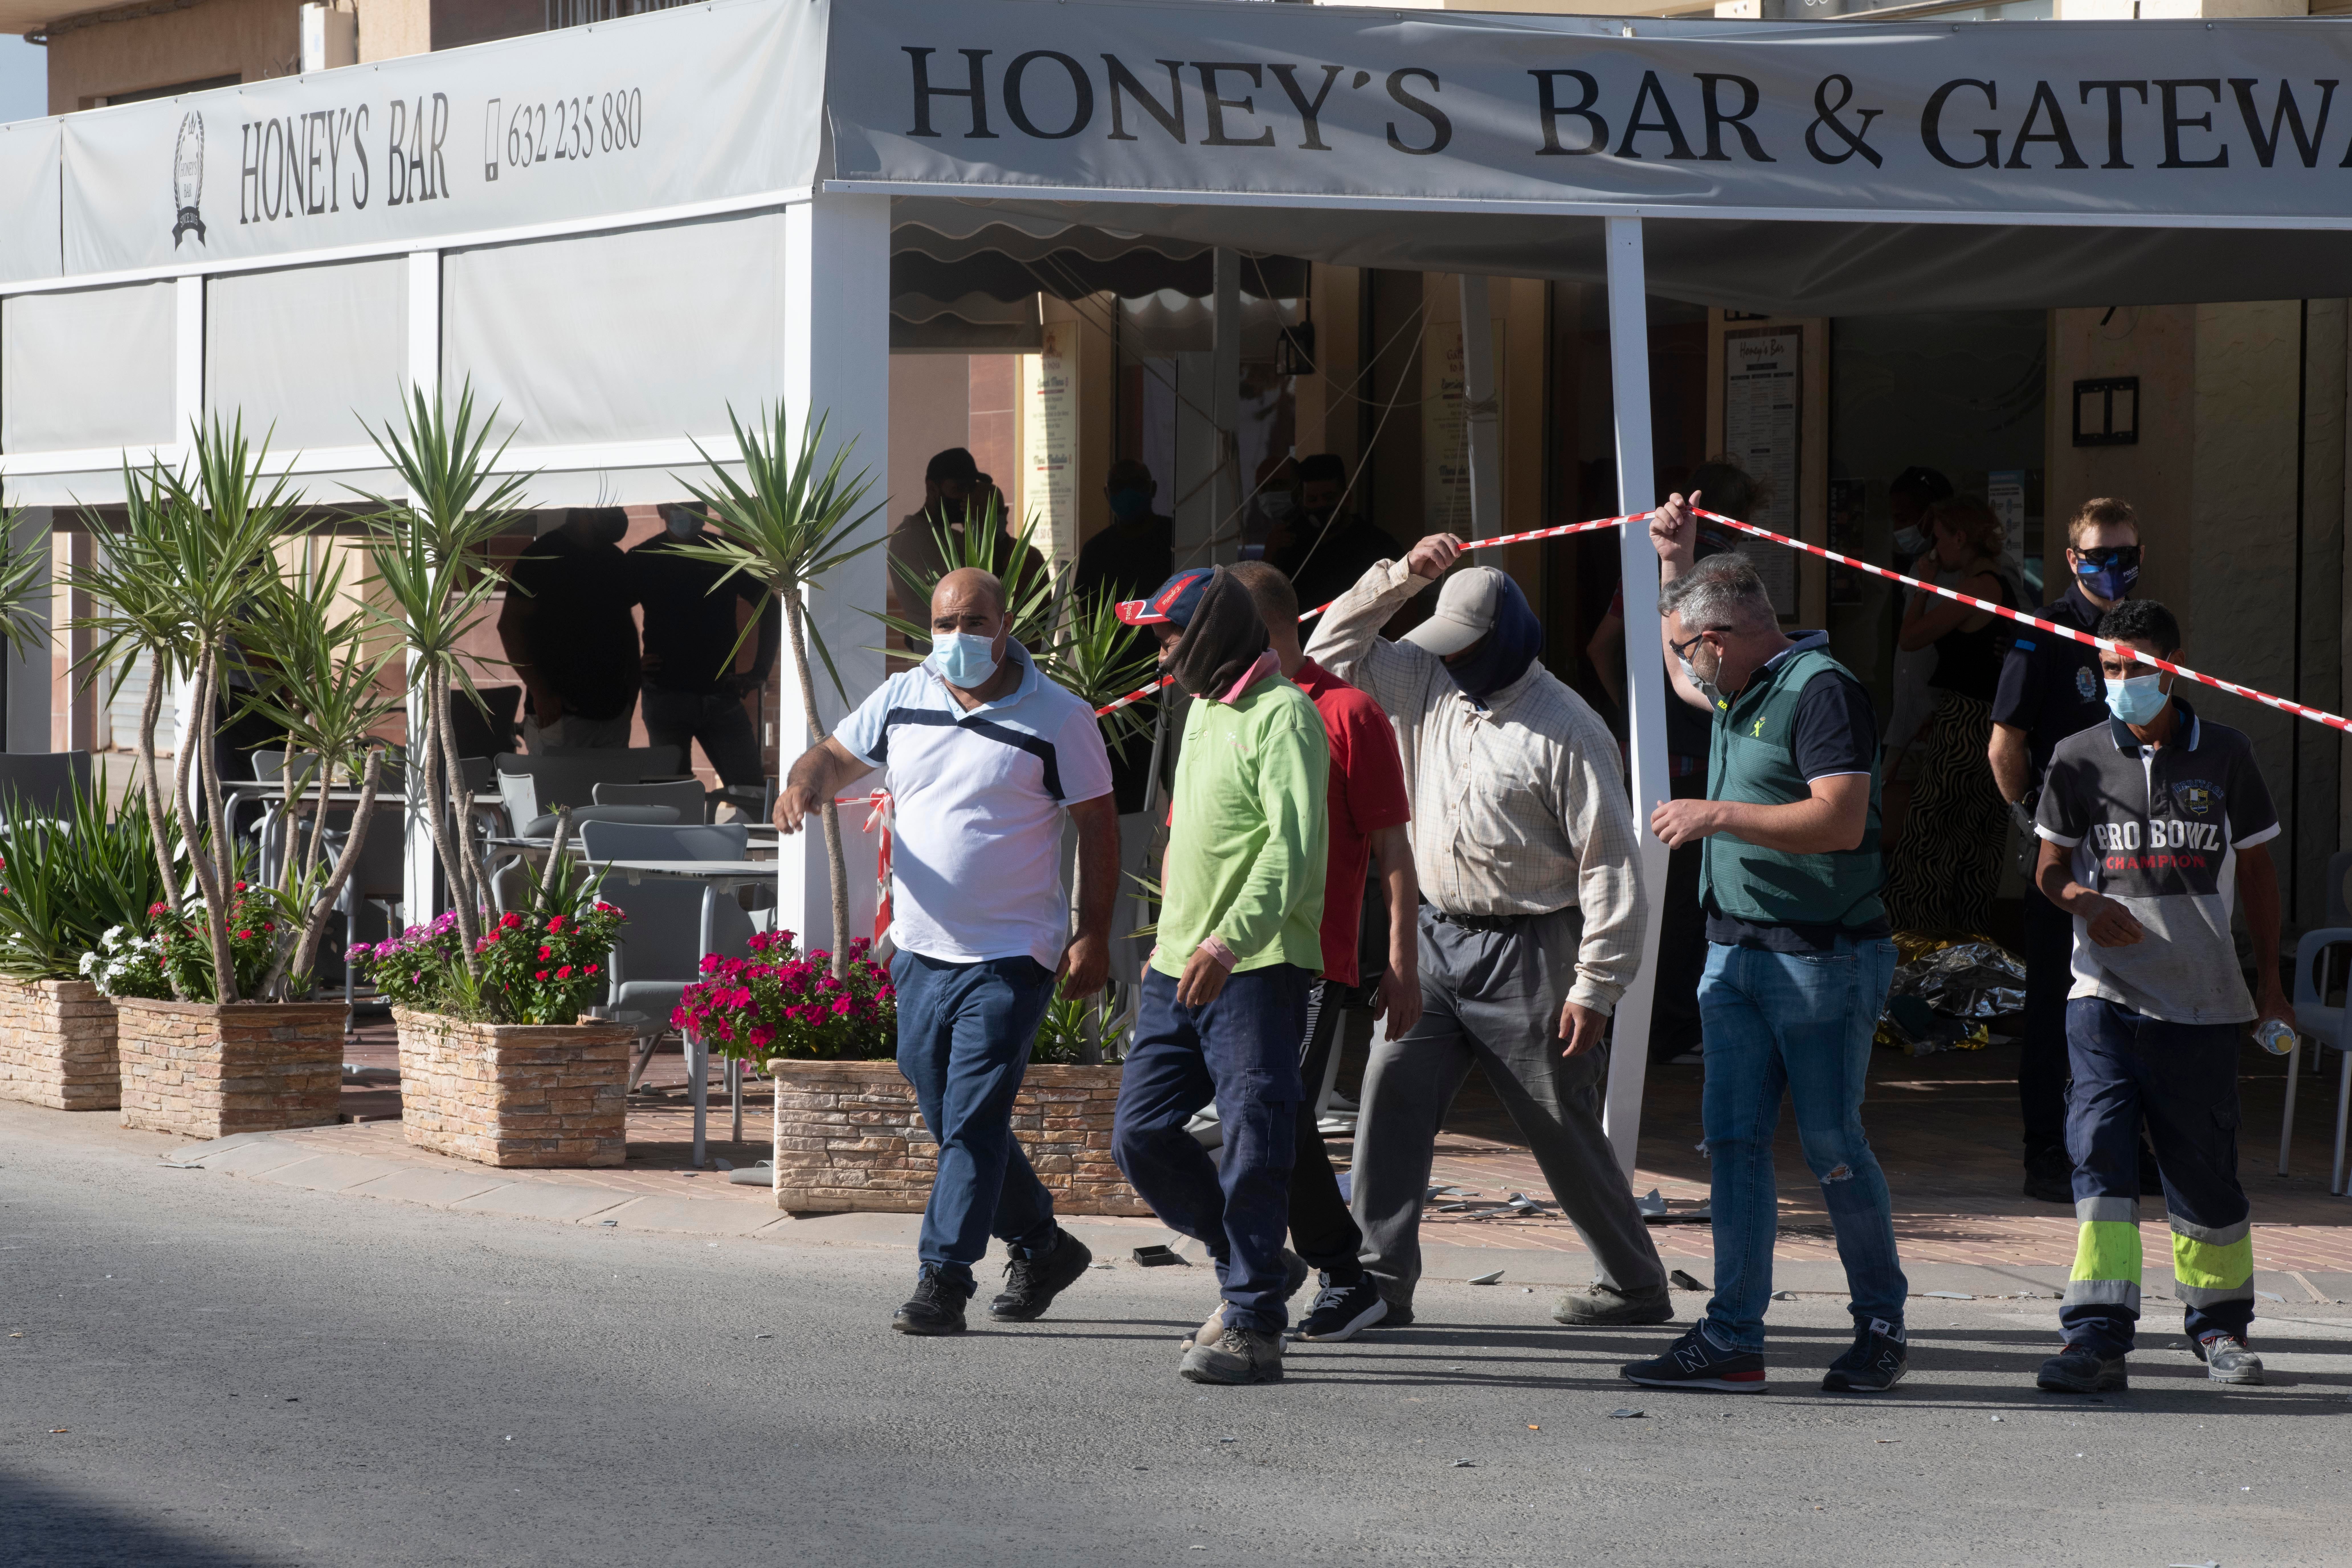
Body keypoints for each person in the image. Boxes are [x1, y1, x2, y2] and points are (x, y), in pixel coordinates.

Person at [1305, 538, 1671, 1331]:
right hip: (1433, 939)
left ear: (1508, 640)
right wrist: (1401, 577)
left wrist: (1597, 986)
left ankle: (1635, 1283)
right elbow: (1326, 653)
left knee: (1559, 1123)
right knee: (1389, 1100)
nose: (1454, 661)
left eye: (1467, 648)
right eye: (1446, 646)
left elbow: (1612, 865)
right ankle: (1378, 1283)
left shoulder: (1569, 728)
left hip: (1533, 951)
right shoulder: (1424, 677)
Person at [775, 567, 1119, 1337]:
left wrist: (1091, 931)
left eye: (973, 622)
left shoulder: (1059, 716)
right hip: (921, 953)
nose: (956, 638)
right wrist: (803, 784)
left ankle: (944, 1278)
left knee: (971, 1117)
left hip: (1012, 954)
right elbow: (832, 755)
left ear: (1005, 626)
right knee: (953, 1112)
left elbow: (1098, 826)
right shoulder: (904, 696)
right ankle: (1044, 1245)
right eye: (943, 624)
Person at [1624, 510, 1908, 1395]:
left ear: (1719, 640)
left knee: (1831, 1144)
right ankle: (1732, 1336)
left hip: (1821, 956)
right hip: (1734, 949)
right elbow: (1678, 670)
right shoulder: (1732, 684)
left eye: (1689, 649)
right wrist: (1674, 560)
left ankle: (1881, 1323)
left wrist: (1716, 815)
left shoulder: (1820, 691)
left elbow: (1840, 820)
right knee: (1734, 1145)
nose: (1683, 666)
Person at [2028, 598, 2287, 1393]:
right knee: (2099, 1160)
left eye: (2134, 667)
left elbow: (2260, 875)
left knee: (2203, 1172)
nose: (2120, 680)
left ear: (2171, 669)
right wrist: (2082, 902)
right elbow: (2047, 869)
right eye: (2107, 667)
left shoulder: (2228, 754)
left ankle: (2219, 1328)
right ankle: (2096, 1336)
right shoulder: (2075, 757)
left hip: (2204, 1004)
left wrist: (2270, 985)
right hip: (2102, 1001)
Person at [1111, 567, 1328, 1385]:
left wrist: (1226, 943)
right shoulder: (1202, 709)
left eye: (1169, 637)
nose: (1162, 654)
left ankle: (1254, 1325)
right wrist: (1172, 937)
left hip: (1256, 968)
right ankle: (1253, 1264)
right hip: (1177, 966)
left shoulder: (1285, 715)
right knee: (1139, 1137)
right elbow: (1189, 835)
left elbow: (1291, 848)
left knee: (1253, 1144)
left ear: (1209, 636)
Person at [1228, 560, 1419, 1344]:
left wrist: (1403, 965)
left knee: (1278, 1114)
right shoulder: (1226, 707)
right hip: (1228, 956)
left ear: (1257, 628)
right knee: (1262, 1116)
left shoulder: (1347, 712)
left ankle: (1335, 1273)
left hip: (1310, 960)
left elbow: (1394, 851)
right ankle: (1303, 1267)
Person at [1992, 497, 2151, 1204]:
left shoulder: (2143, 632)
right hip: (2067, 852)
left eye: (2125, 556)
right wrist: (2033, 823)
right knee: (2057, 1003)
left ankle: (2120, 1145)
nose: (2112, 569)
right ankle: (2047, 1152)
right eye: (2098, 557)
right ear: (2071, 560)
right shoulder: (2047, 634)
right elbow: (2005, 743)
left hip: (2138, 851)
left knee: (2133, 1001)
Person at [1585, 458, 1761, 1066]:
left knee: (1631, 889)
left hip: (1642, 752)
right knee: (1686, 898)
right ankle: (1672, 1028)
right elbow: (1726, 668)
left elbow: (1599, 646)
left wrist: (1633, 710)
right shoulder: (1730, 576)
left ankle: (1625, 1020)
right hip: (1701, 753)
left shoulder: (1642, 565)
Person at [1880, 495, 2022, 936]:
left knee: (1928, 841)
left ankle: (1916, 941)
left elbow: (1911, 638)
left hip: (1966, 727)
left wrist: (1923, 586)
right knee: (1973, 844)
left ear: (1961, 538)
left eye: (1940, 538)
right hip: (1985, 723)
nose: (1935, 549)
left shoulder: (1979, 588)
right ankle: (1964, 941)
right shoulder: (1998, 585)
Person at [630, 505, 780, 790]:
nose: (690, 513)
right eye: (681, 507)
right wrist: (629, 665)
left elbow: (770, 607)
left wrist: (760, 671)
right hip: (666, 695)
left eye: (697, 506)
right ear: (662, 510)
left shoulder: (726, 552)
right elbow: (609, 612)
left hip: (721, 695)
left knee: (753, 794)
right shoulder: (645, 556)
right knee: (673, 797)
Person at [498, 507, 641, 751]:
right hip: (560, 717)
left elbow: (626, 628)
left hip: (613, 715)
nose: (619, 513)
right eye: (611, 507)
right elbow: (510, 627)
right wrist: (542, 694)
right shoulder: (541, 556)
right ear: (586, 510)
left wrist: (632, 694)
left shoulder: (615, 559)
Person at [1273, 454, 1402, 617]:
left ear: (1347, 499)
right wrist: (1271, 552)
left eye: (1329, 498)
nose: (1321, 505)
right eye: (1312, 500)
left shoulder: (1376, 545)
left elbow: (1404, 600)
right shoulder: (1292, 543)